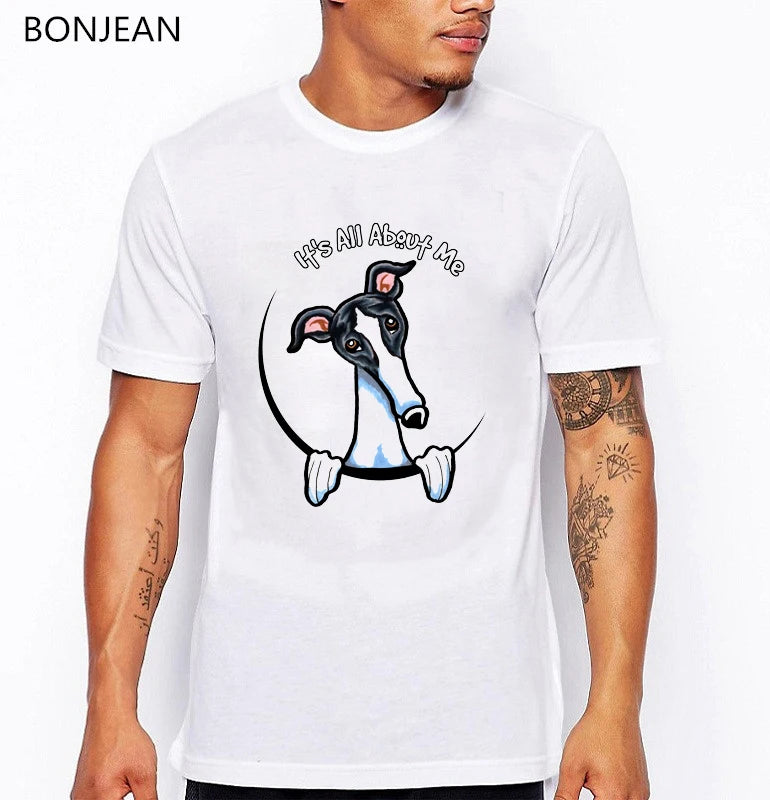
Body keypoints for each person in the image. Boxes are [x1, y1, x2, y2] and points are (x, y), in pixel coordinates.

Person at [71, 1, 661, 799]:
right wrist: (109, 706)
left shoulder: (559, 168)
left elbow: (606, 444)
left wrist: (616, 707)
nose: (480, 0)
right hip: (254, 745)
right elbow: (146, 450)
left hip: (482, 749)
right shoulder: (195, 174)